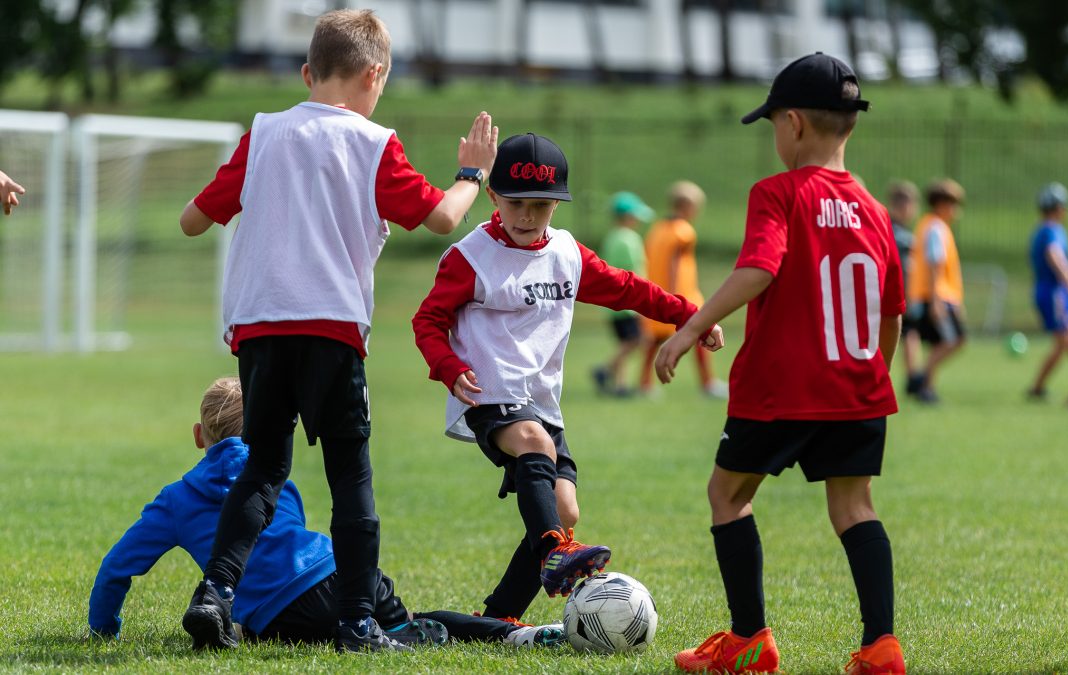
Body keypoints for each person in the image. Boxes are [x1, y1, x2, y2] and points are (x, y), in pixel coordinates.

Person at [176, 9, 499, 653]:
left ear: (306, 73)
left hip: (259, 326)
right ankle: (357, 620)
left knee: (263, 468)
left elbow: (191, 220)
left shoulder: (263, 133)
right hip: (329, 326)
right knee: (350, 473)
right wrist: (472, 175)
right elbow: (439, 218)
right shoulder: (373, 142)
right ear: (375, 75)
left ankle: (215, 594)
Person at [655, 53, 907, 674]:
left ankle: (749, 640)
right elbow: (892, 310)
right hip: (857, 386)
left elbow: (761, 268)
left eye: (771, 124)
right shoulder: (876, 212)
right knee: (854, 508)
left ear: (792, 123)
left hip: (781, 387)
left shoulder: (779, 193)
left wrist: (691, 326)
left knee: (728, 493)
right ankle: (881, 646)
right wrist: (875, 373)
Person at [413, 133, 722, 623]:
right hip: (489, 392)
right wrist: (449, 369)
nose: (527, 217)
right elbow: (426, 321)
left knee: (565, 510)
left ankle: (497, 617)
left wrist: (690, 315)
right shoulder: (469, 258)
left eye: (542, 205)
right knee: (534, 446)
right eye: (516, 203)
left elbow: (627, 288)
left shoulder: (567, 254)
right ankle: (556, 551)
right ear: (492, 195)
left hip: (541, 401)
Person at [88, 378, 564, 650]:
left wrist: (103, 628)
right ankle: (514, 634)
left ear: (198, 435)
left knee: (268, 629)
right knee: (405, 622)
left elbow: (117, 567)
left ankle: (249, 626)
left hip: (284, 612)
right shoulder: (278, 481)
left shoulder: (175, 498)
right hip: (342, 570)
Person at [639, 180, 728, 399]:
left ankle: (644, 383)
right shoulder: (684, 232)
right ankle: (708, 383)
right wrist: (674, 296)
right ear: (688, 207)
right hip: (682, 295)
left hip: (656, 293)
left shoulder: (657, 229)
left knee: (656, 340)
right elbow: (675, 265)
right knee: (701, 335)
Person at [906, 179, 967, 404]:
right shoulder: (935, 228)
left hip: (934, 296)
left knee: (942, 342)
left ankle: (925, 384)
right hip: (936, 297)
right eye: (953, 204)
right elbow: (934, 263)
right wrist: (935, 301)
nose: (956, 210)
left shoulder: (929, 225)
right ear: (941, 204)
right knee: (952, 340)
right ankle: (923, 382)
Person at [591, 191, 653, 397]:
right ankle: (605, 369)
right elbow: (633, 272)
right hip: (628, 302)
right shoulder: (629, 239)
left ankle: (620, 386)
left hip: (614, 303)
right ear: (627, 217)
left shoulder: (612, 237)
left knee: (625, 342)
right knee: (635, 340)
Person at [1026, 182, 1068, 406]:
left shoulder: (1042, 229)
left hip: (1048, 292)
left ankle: (1037, 389)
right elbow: (1055, 256)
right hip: (1056, 294)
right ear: (1058, 207)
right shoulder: (1052, 230)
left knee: (1060, 346)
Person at [886, 180, 923, 392]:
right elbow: (905, 269)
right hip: (902, 295)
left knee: (909, 333)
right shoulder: (903, 237)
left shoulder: (888, 228)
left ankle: (912, 376)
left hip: (896, 294)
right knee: (909, 333)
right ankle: (912, 379)